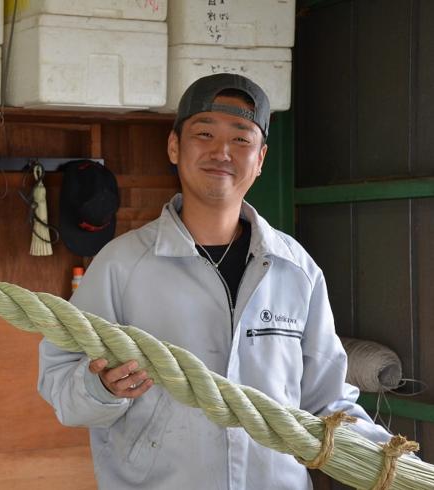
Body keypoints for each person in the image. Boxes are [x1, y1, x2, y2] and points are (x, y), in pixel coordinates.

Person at [37, 74, 392, 489]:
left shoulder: (295, 269)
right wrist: (101, 387)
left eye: (241, 139)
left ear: (260, 159)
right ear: (174, 147)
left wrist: (389, 460)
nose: (221, 151)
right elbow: (61, 387)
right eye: (203, 133)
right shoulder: (121, 265)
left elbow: (325, 400)